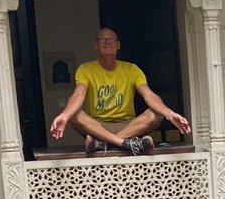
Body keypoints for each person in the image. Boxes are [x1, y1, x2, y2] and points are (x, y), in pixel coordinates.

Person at [49, 28, 191, 155]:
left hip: (128, 125)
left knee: (157, 113)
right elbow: (78, 95)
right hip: (98, 126)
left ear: (118, 45)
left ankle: (105, 144)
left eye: (111, 38)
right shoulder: (85, 69)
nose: (107, 41)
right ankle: (123, 143)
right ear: (96, 45)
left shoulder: (131, 69)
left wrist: (170, 114)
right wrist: (65, 116)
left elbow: (149, 95)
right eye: (102, 39)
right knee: (75, 114)